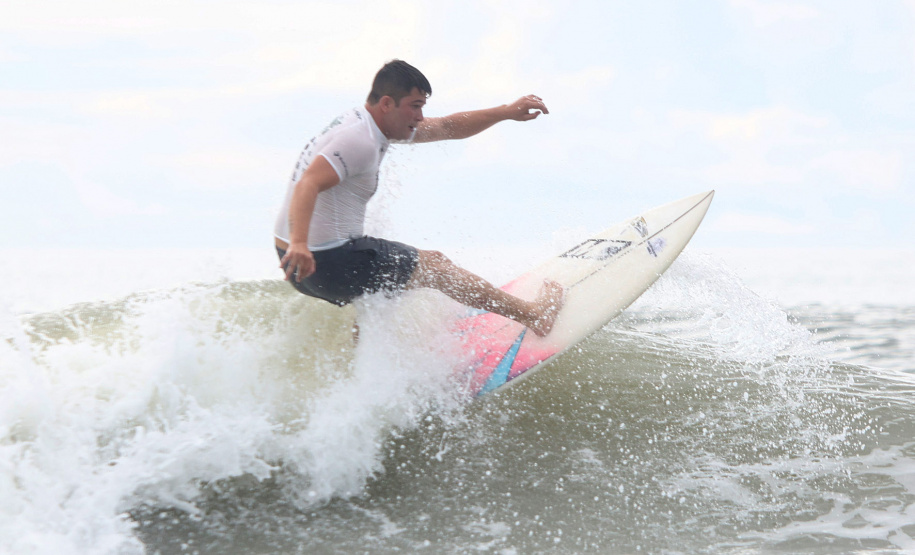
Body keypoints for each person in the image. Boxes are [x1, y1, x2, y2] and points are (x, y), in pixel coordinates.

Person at [274, 60, 563, 336]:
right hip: (322, 261)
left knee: (380, 289)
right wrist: (300, 243)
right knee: (436, 266)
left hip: (298, 265)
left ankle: (368, 371)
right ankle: (534, 315)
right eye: (415, 107)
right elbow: (307, 183)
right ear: (387, 103)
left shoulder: (366, 124)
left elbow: (446, 127)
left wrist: (506, 111)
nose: (421, 117)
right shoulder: (360, 141)